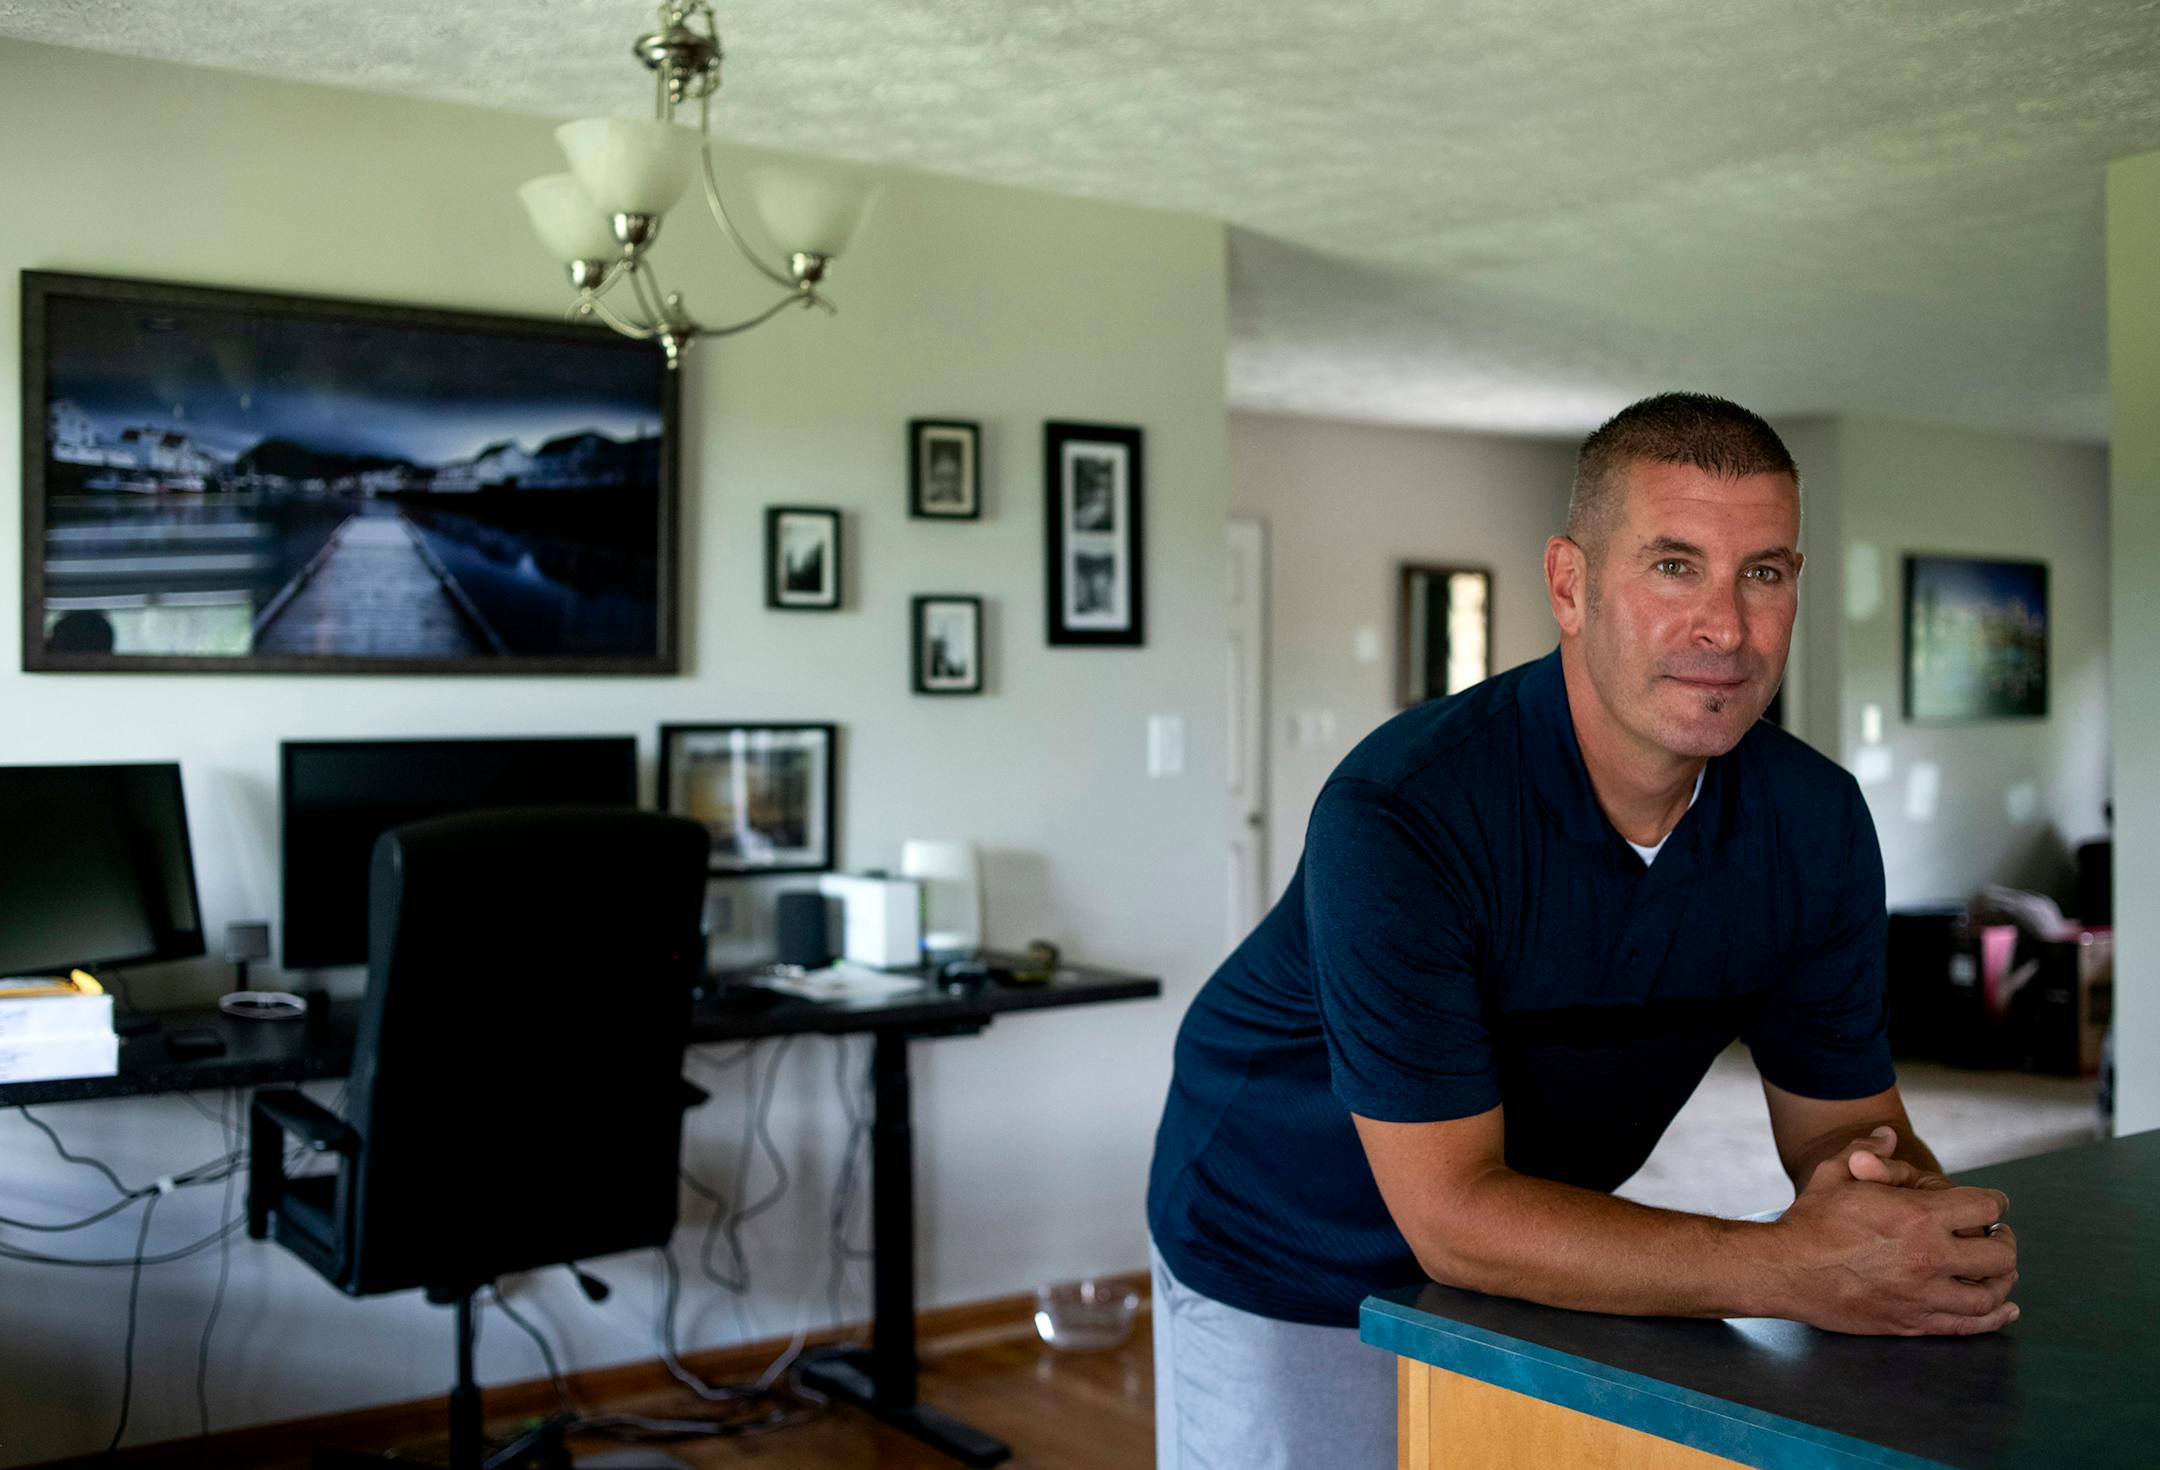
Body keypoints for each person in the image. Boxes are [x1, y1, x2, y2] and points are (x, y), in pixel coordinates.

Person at [1145, 393, 2018, 1470]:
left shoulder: (1813, 822)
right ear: (1569, 584)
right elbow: (1454, 1218)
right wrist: (1789, 1269)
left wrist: (1903, 1221)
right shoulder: (1404, 814)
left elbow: (1845, 1128)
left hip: (1548, 1245)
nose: (1728, 629)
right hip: (1288, 1248)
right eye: (1672, 566)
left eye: (1765, 573)